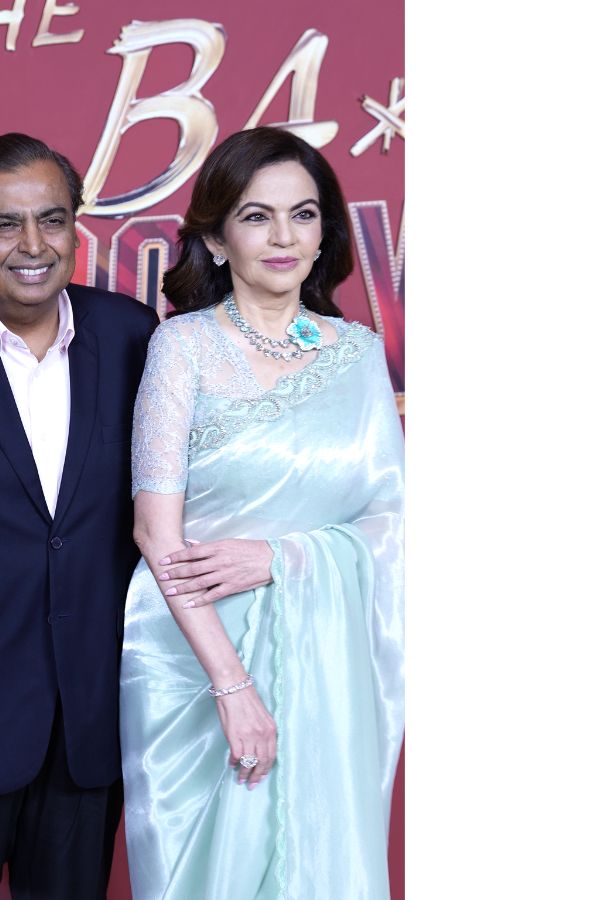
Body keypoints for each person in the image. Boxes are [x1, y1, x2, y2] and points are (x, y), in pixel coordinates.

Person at [119, 127, 404, 899]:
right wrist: (233, 686)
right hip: (195, 659)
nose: (284, 237)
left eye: (303, 215)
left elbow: (392, 523)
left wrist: (285, 558)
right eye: (256, 216)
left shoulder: (357, 355)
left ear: (324, 232)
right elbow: (155, 530)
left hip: (328, 662)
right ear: (216, 239)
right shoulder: (182, 348)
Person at [0, 132, 160, 900]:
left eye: (52, 219)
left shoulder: (134, 336)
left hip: (90, 717)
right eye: (4, 224)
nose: (34, 245)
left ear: (76, 226)